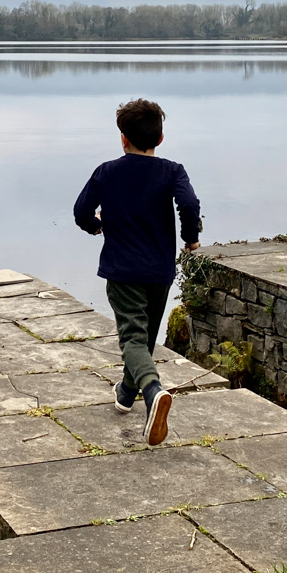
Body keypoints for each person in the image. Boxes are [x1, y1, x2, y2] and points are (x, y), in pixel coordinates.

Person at [73, 98, 201, 446]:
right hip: (159, 270)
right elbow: (188, 205)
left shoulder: (106, 171)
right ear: (160, 139)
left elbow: (81, 211)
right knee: (143, 341)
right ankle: (127, 393)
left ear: (122, 138)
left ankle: (153, 390)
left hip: (122, 267)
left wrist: (95, 226)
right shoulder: (173, 171)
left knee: (132, 339)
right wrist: (191, 238)